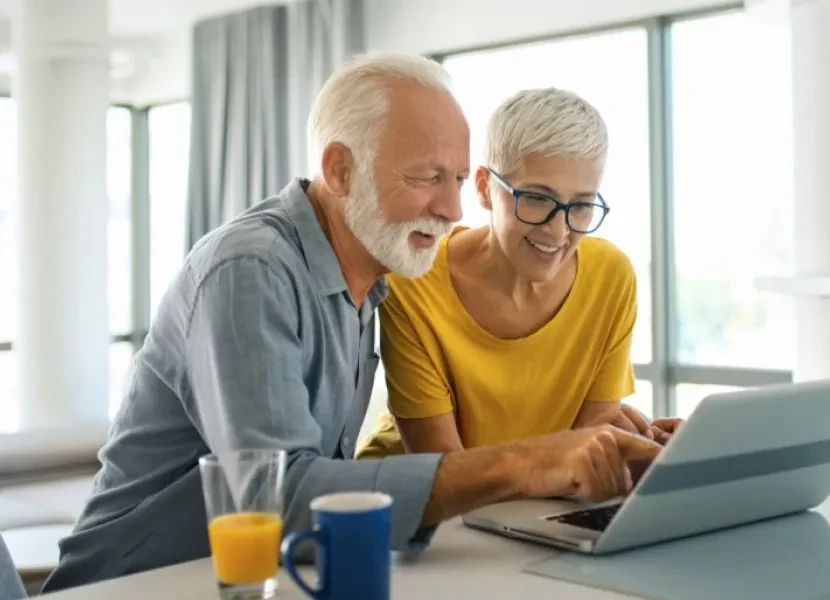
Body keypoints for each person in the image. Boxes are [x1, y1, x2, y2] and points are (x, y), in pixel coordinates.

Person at [42, 54, 661, 592]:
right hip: (136, 586)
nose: (450, 210)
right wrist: (528, 462)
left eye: (452, 180)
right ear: (339, 170)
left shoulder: (373, 278)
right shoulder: (251, 270)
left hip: (267, 578)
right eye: (425, 178)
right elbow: (281, 496)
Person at [356, 87, 681, 462]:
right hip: (411, 508)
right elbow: (442, 473)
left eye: (581, 205)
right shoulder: (414, 279)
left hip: (528, 507)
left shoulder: (611, 277)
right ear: (483, 188)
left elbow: (585, 455)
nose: (558, 232)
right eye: (537, 198)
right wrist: (575, 454)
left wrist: (646, 446)